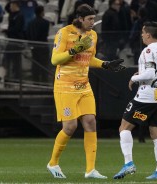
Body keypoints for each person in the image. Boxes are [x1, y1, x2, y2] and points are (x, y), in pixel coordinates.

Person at [47, 4, 125, 179]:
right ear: (80, 19)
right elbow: (55, 59)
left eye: (94, 19)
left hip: (84, 85)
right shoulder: (64, 33)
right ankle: (53, 163)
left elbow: (88, 59)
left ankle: (90, 170)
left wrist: (105, 64)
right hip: (65, 86)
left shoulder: (92, 35)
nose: (93, 22)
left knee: (90, 122)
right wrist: (74, 49)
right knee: (70, 127)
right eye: (90, 19)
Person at [113, 21, 157, 180]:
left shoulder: (148, 50)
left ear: (148, 34)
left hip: (146, 96)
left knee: (124, 127)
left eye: (142, 32)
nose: (141, 35)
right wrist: (147, 73)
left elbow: (149, 75)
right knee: (156, 133)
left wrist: (134, 77)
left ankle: (128, 163)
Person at [26, 5, 50, 82]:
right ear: (42, 12)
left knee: (35, 64)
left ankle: (35, 81)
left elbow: (28, 35)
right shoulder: (46, 23)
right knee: (44, 65)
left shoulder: (30, 23)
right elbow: (44, 35)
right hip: (43, 47)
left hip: (34, 47)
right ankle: (44, 81)